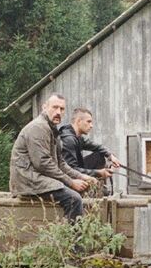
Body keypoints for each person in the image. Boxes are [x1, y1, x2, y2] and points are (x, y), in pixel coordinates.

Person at [9, 93, 97, 223]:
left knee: (84, 190)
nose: (58, 112)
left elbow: (60, 163)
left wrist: (81, 177)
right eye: (55, 107)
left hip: (38, 177)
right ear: (45, 107)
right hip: (28, 179)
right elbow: (43, 164)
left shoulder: (51, 129)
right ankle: (73, 242)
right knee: (74, 199)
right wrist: (71, 182)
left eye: (62, 109)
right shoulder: (39, 127)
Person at [59, 108, 121, 185]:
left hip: (76, 169)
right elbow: (71, 170)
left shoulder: (77, 136)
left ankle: (98, 185)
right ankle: (94, 187)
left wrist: (110, 156)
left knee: (99, 155)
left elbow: (97, 147)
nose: (91, 126)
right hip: (68, 177)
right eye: (88, 122)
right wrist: (98, 172)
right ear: (78, 121)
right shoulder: (68, 140)